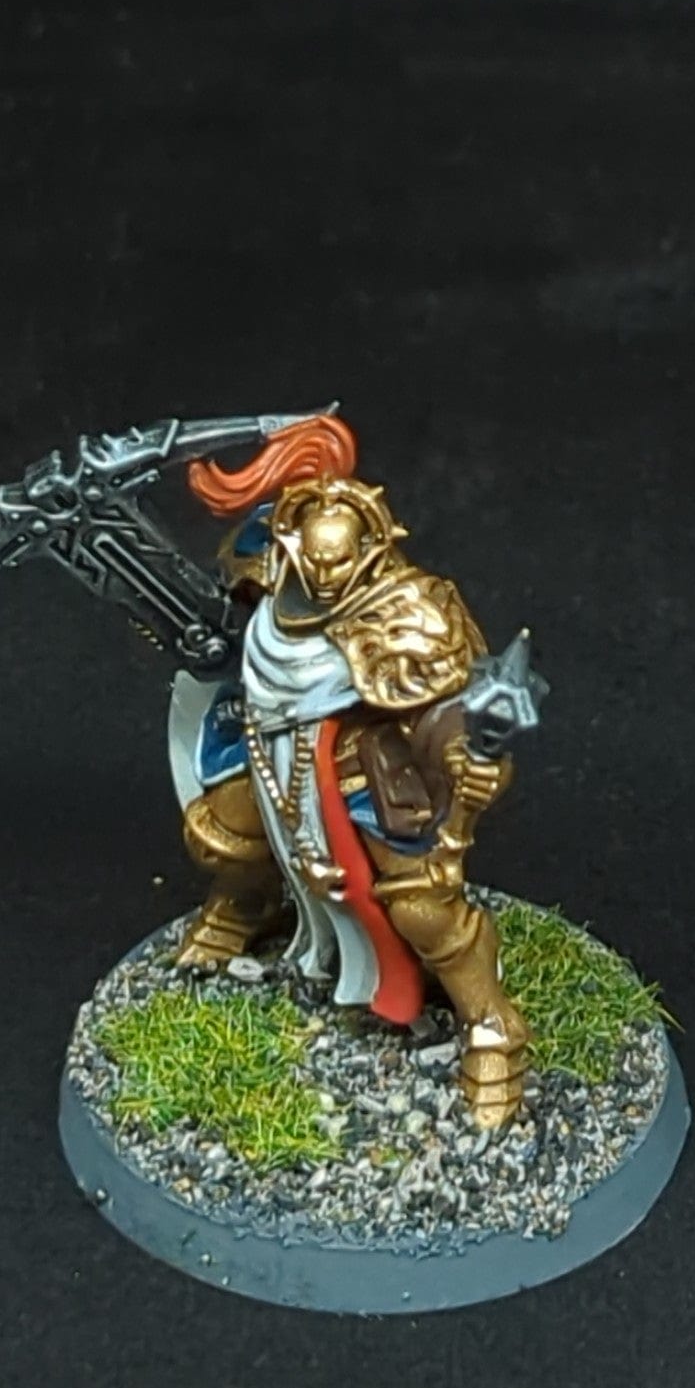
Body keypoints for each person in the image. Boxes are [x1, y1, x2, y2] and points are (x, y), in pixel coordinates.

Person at [163, 417, 538, 1129]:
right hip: (270, 755)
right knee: (219, 835)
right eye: (311, 559)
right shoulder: (271, 573)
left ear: (367, 552)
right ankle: (248, 907)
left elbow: (450, 705)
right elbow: (217, 622)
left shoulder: (410, 612)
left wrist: (464, 760)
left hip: (369, 773)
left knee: (425, 907)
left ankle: (492, 1027)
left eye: (337, 563)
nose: (322, 577)